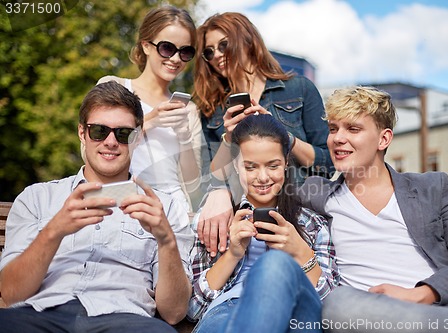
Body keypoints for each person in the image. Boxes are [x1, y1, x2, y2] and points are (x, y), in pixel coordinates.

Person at [298, 86, 448, 332]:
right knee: (337, 304)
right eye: (333, 129)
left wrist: (422, 293)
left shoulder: (431, 188)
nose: (337, 138)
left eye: (353, 128)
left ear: (384, 139)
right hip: (367, 314)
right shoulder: (314, 194)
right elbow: (264, 186)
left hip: (445, 309)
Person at [0, 81, 193, 333]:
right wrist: (54, 231)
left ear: (137, 136)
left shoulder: (163, 208)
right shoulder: (38, 197)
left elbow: (174, 313)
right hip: (40, 316)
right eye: (99, 131)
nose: (111, 142)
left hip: (124, 320)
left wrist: (166, 239)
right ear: (82, 133)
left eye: (123, 134)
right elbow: (11, 293)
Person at [193, 12, 335, 257]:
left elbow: (327, 164)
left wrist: (283, 136)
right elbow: (210, 178)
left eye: (223, 45)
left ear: (247, 41)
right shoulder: (212, 110)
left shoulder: (298, 89)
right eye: (209, 51)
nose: (216, 55)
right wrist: (228, 139)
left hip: (301, 214)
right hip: (244, 222)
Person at [187, 114, 338, 333]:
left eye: (273, 165)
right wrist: (233, 253)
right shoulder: (215, 218)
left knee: (274, 264)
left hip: (296, 311)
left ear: (286, 162)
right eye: (250, 167)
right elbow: (192, 310)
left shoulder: (312, 223)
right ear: (236, 165)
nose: (263, 177)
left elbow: (333, 307)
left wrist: (301, 252)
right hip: (228, 309)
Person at [98, 5, 202, 213]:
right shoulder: (114, 86)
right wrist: (148, 121)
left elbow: (194, 187)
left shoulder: (189, 110)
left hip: (172, 210)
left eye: (185, 52)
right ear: (146, 45)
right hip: (120, 201)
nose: (175, 59)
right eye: (167, 48)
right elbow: (91, 149)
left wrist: (184, 138)